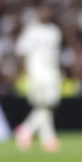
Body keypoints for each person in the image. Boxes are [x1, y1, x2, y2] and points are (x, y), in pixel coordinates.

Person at [13, 8, 63, 153]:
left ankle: (47, 139)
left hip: (52, 73)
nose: (45, 13)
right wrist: (23, 73)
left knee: (46, 105)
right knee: (45, 105)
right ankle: (28, 130)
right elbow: (21, 52)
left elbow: (55, 55)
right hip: (36, 74)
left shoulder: (54, 31)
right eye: (42, 11)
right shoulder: (30, 31)